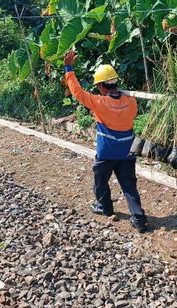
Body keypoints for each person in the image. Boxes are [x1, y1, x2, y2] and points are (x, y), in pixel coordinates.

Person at [63, 50, 148, 233]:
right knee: (128, 185)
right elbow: (130, 114)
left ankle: (105, 207)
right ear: (116, 82)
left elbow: (77, 92)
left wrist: (69, 68)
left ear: (101, 86)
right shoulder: (131, 102)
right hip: (127, 152)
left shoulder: (98, 102)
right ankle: (139, 218)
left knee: (100, 179)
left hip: (107, 153)